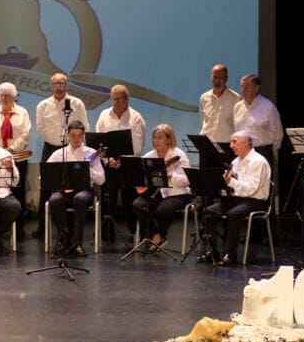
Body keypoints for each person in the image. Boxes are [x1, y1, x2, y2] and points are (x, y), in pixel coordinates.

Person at [201, 130, 271, 264]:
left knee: (234, 214)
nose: (231, 145)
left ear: (246, 143)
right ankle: (212, 252)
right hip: (236, 199)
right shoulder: (236, 161)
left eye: (234, 142)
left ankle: (230, 255)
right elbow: (232, 184)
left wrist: (231, 182)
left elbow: (251, 189)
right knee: (209, 211)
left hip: (255, 200)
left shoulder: (259, 162)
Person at [35, 73, 88, 232]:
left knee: (71, 186)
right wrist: (55, 142)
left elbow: (84, 125)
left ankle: (70, 226)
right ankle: (42, 226)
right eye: (56, 84)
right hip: (51, 147)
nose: (59, 87)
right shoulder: (43, 105)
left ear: (66, 86)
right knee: (46, 186)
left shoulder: (76, 103)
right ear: (51, 86)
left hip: (72, 148)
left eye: (62, 84)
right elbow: (40, 127)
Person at [45, 119, 105, 256]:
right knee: (55, 200)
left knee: (81, 198)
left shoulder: (91, 153)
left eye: (79, 135)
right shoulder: (58, 154)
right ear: (67, 135)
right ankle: (64, 240)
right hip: (63, 191)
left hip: (84, 190)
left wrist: (87, 169)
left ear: (83, 135)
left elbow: (101, 180)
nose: (76, 138)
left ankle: (77, 243)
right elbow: (45, 176)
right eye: (73, 135)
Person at [130, 124, 192, 252]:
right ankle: (156, 236)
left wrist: (169, 176)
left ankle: (161, 236)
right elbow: (142, 178)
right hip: (156, 192)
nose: (156, 141)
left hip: (177, 193)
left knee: (163, 210)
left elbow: (186, 180)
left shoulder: (178, 154)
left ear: (169, 139)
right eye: (154, 138)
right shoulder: (148, 156)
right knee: (138, 204)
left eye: (160, 137)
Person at [96, 84, 147, 237]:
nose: (116, 102)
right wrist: (108, 160)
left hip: (128, 166)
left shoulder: (136, 117)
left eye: (119, 99)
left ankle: (134, 230)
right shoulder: (104, 115)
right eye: (113, 99)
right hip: (109, 164)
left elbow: (138, 144)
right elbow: (99, 141)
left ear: (127, 100)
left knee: (129, 199)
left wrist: (122, 161)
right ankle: (106, 231)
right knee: (107, 199)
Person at [0, 82, 32, 227]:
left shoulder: (23, 112)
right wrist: (2, 152)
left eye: (8, 95)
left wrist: (11, 149)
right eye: (2, 95)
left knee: (18, 191)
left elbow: (25, 134)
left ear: (14, 97)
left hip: (19, 157)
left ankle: (19, 226)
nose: (4, 98)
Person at [232, 74, 284, 175]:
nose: (243, 90)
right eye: (242, 86)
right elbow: (237, 132)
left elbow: (278, 135)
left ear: (256, 88)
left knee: (261, 188)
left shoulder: (268, 107)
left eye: (247, 86)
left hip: (262, 153)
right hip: (243, 154)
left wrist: (265, 151)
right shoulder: (237, 107)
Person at [198, 64, 239, 157]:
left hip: (227, 145)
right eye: (215, 77)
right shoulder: (204, 97)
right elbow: (203, 119)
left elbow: (238, 124)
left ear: (226, 79)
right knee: (206, 172)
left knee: (226, 172)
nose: (217, 80)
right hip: (206, 145)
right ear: (210, 77)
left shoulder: (235, 98)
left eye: (221, 77)